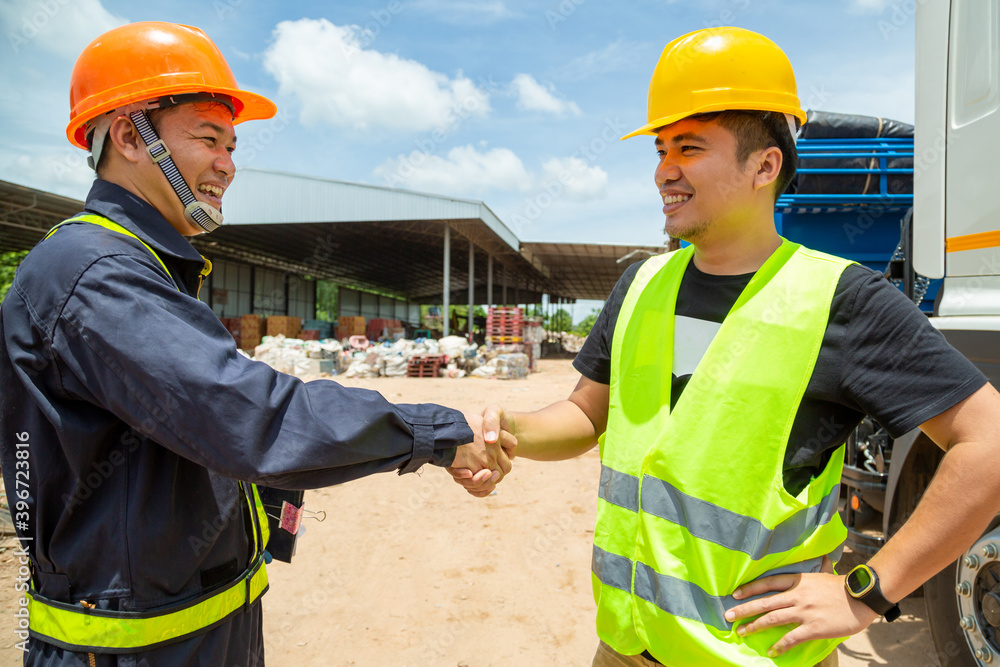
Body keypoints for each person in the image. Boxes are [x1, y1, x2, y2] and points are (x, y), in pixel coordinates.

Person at [450, 26, 1000, 666]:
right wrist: (507, 428)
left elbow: (987, 442)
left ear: (765, 165)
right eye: (659, 150)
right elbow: (585, 416)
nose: (664, 171)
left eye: (688, 147)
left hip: (751, 657)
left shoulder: (840, 301)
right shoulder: (642, 284)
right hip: (626, 646)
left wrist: (867, 591)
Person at [0, 22, 512, 666]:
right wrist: (438, 432)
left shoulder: (144, 267)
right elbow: (245, 418)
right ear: (130, 136)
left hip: (194, 632)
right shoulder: (95, 274)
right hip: (132, 651)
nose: (228, 165)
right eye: (209, 139)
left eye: (233, 145)